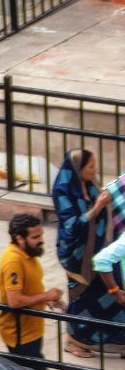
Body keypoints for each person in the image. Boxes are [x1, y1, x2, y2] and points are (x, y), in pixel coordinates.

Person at [0, 213, 62, 370]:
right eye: (35, 237)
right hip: (21, 336)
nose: (41, 240)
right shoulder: (13, 261)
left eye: (40, 235)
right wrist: (45, 296)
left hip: (32, 331)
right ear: (20, 238)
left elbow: (29, 291)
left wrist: (46, 299)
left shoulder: (28, 255)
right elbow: (14, 300)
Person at [52, 149, 110, 357]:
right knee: (80, 296)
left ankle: (108, 338)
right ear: (78, 169)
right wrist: (98, 206)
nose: (94, 171)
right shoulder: (63, 190)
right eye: (90, 167)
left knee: (104, 292)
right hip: (75, 253)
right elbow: (72, 226)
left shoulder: (90, 185)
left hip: (96, 249)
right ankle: (74, 340)